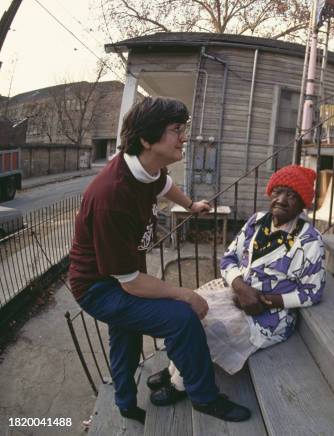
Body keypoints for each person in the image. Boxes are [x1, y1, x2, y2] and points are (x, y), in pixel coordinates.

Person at [68, 97, 250, 423]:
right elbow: (133, 284)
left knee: (126, 335)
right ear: (147, 139)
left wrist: (192, 205)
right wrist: (187, 295)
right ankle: (205, 397)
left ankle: (125, 403)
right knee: (181, 318)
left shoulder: (147, 167)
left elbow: (165, 185)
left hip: (120, 275)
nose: (184, 137)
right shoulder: (112, 194)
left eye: (184, 129)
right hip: (99, 287)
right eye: (176, 130)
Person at [146, 165, 326, 404]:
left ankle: (181, 383)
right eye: (278, 192)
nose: (281, 200)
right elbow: (229, 258)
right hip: (236, 293)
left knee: (204, 328)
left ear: (303, 203)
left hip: (268, 315)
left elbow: (312, 292)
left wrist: (265, 300)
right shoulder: (257, 221)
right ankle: (175, 369)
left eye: (291, 195)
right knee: (186, 314)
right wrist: (241, 288)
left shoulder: (310, 241)